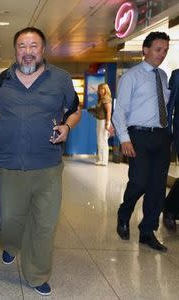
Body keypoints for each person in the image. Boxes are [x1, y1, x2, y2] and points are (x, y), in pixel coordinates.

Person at [0, 27, 80, 296]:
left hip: (48, 166)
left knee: (44, 223)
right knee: (10, 220)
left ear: (43, 49)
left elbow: (74, 110)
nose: (27, 52)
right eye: (21, 46)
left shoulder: (61, 79)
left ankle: (37, 273)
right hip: (9, 166)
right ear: (15, 49)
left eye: (33, 46)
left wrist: (67, 126)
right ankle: (11, 245)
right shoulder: (2, 79)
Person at [112, 32, 170, 252]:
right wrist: (124, 138)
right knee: (139, 181)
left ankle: (147, 231)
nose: (162, 54)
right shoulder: (131, 77)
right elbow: (120, 111)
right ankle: (124, 213)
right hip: (139, 136)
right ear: (145, 50)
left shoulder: (163, 76)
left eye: (165, 50)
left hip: (161, 136)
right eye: (158, 49)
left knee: (157, 187)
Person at [163, 68, 179, 233]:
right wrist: (166, 136)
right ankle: (170, 209)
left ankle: (170, 207)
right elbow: (169, 107)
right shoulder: (177, 75)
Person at [88, 83, 113, 166]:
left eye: (102, 89)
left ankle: (104, 160)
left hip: (104, 121)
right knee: (100, 140)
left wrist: (107, 123)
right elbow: (99, 110)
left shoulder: (106, 99)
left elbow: (109, 112)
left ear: (106, 89)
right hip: (99, 121)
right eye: (99, 89)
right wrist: (93, 110)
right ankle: (100, 159)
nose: (100, 91)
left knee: (103, 141)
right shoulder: (101, 99)